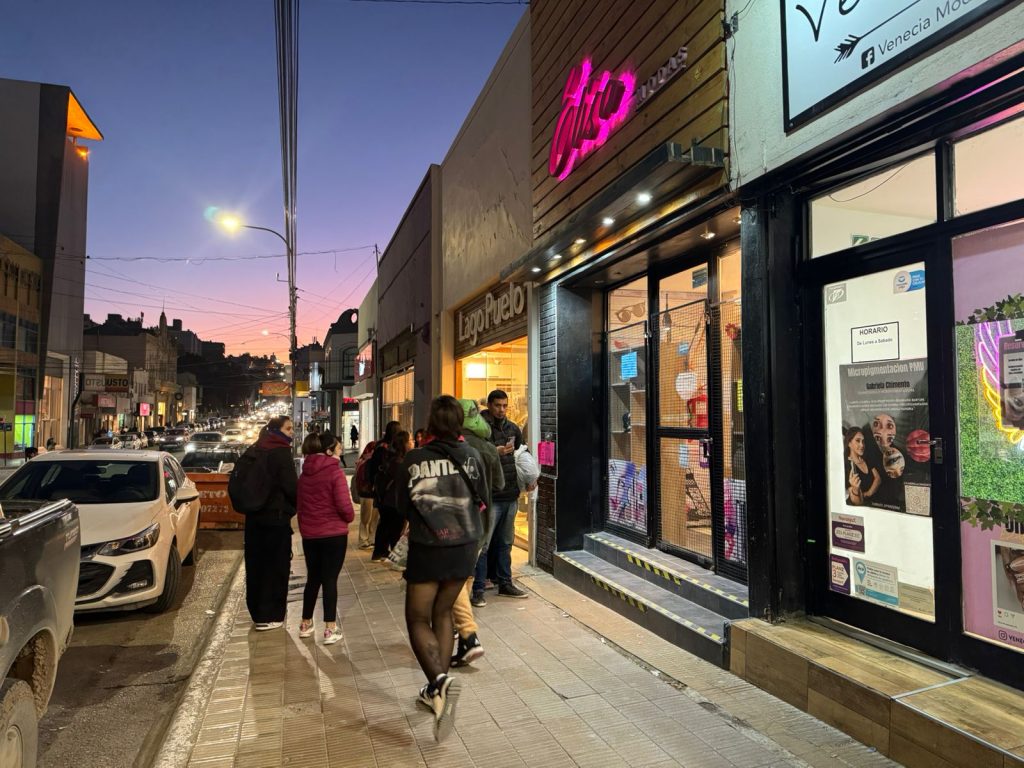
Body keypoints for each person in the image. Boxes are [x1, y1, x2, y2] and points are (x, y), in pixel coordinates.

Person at [396, 395, 489, 742]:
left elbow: (400, 505)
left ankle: (439, 682)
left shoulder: (414, 459)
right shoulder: (473, 455)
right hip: (465, 547)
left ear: (431, 422)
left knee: (418, 618)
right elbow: (485, 499)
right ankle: (437, 690)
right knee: (444, 612)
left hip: (429, 548)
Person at [449, 399, 502, 667]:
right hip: (480, 521)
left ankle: (463, 631)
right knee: (466, 573)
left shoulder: (445, 450)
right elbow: (499, 484)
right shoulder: (487, 449)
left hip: (449, 525)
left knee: (452, 578)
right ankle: (464, 630)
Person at [296, 432, 354, 645]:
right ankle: (330, 628)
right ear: (329, 451)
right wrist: (349, 518)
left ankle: (305, 624)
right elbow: (344, 506)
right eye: (338, 447)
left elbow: (300, 506)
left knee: (313, 578)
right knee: (330, 579)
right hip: (334, 534)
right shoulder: (335, 473)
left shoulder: (304, 475)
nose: (341, 450)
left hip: (310, 536)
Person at [243, 415, 298, 630]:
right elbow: (291, 487)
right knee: (276, 566)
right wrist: (295, 507)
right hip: (275, 519)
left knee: (256, 565)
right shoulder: (281, 452)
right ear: (277, 430)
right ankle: (271, 615)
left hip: (253, 518)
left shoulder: (256, 448)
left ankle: (258, 613)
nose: (292, 432)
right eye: (288, 428)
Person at [479, 390, 529, 599]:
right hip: (490, 496)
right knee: (484, 544)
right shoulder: (480, 429)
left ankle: (504, 582)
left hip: (510, 494)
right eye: (498, 405)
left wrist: (530, 478)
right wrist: (495, 451)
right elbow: (475, 456)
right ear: (489, 405)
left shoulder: (513, 428)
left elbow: (521, 453)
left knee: (506, 542)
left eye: (504, 406)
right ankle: (479, 586)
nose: (502, 410)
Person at [371, 429, 412, 562]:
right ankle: (394, 557)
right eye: (410, 440)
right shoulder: (400, 463)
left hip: (385, 499)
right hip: (393, 500)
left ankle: (380, 552)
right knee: (395, 529)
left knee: (385, 526)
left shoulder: (390, 457)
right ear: (404, 444)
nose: (412, 442)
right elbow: (403, 484)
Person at [845, 427, 880, 506]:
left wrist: (869, 493)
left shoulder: (866, 459)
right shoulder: (847, 466)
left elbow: (878, 478)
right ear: (849, 443)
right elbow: (858, 502)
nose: (862, 445)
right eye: (858, 441)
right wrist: (855, 489)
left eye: (863, 441)